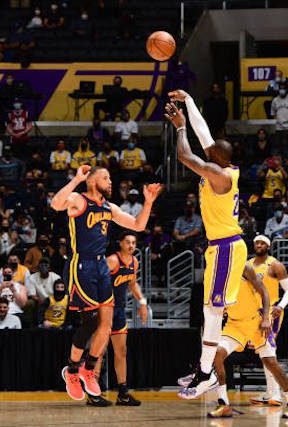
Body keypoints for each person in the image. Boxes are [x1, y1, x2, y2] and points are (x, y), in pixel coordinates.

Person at [50, 164, 161, 402]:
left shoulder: (109, 207)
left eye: (110, 178)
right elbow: (56, 204)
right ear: (92, 181)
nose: (110, 182)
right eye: (105, 178)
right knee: (90, 320)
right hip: (82, 264)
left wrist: (148, 202)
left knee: (106, 324)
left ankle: (88, 369)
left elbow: (138, 225)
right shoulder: (78, 200)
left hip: (100, 265)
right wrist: (76, 179)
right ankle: (71, 371)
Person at [165, 90, 248, 400]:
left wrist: (180, 128)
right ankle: (204, 369)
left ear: (217, 158)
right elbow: (205, 136)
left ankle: (206, 374)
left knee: (213, 312)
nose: (207, 147)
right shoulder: (223, 164)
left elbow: (186, 156)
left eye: (211, 150)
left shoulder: (218, 174)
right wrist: (188, 101)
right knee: (209, 310)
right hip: (220, 247)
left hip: (227, 247)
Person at [209, 261, 288, 418]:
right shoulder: (216, 275)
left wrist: (266, 318)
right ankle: (223, 404)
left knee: (270, 362)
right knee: (217, 354)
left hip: (255, 321)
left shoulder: (245, 267)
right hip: (235, 324)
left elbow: (264, 292)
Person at [89, 232, 148, 407]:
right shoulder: (113, 261)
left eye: (134, 243)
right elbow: (95, 280)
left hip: (119, 310)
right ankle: (93, 392)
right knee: (99, 351)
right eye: (128, 242)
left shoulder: (134, 262)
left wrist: (142, 302)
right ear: (121, 244)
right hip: (105, 309)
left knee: (121, 351)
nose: (131, 245)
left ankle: (122, 393)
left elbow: (132, 284)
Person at [242, 235, 288, 407]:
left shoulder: (275, 265)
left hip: (271, 311)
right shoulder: (247, 264)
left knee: (268, 351)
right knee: (263, 352)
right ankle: (271, 392)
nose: (259, 245)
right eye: (256, 242)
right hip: (252, 312)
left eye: (262, 243)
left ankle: (276, 394)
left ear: (268, 246)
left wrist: (281, 305)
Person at [270, 82, 288, 150]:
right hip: (279, 128)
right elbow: (273, 113)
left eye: (283, 88)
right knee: (278, 148)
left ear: (286, 89)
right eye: (280, 88)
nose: (282, 90)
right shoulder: (275, 100)